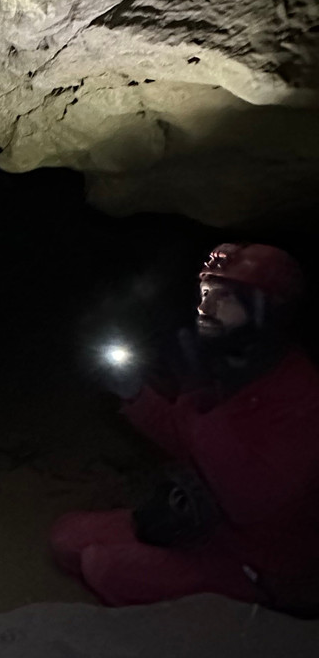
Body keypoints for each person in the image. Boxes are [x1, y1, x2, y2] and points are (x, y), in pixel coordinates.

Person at [51, 243, 319, 610]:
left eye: (224, 298)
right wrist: (136, 396)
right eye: (206, 293)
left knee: (103, 566)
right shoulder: (234, 363)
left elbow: (249, 501)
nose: (205, 307)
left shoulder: (300, 395)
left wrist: (205, 409)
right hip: (211, 527)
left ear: (264, 311)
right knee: (67, 537)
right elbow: (187, 438)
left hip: (265, 562)